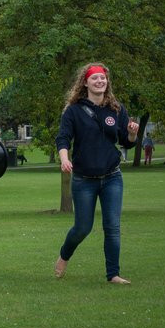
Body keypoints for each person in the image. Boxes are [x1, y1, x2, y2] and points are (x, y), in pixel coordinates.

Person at [54, 63, 139, 284]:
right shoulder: (73, 111)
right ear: (85, 82)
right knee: (82, 228)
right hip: (84, 180)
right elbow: (63, 138)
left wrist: (131, 135)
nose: (100, 81)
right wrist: (65, 158)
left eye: (103, 78)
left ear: (107, 82)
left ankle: (113, 274)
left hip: (112, 177)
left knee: (112, 227)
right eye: (95, 78)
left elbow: (125, 142)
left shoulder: (116, 109)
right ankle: (64, 255)